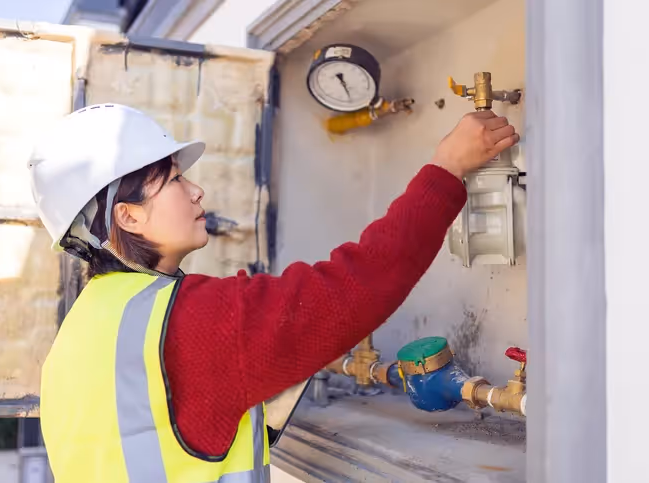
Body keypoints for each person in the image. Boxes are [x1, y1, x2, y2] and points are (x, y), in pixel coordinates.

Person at [29, 103, 518, 483]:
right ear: (127, 215)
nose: (197, 191)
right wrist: (448, 167)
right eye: (175, 180)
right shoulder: (185, 321)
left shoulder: (77, 335)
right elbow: (358, 284)